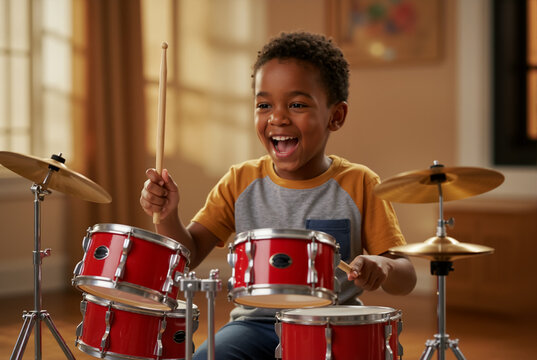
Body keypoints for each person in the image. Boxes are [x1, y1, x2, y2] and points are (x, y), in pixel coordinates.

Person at [140, 31, 417, 360]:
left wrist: (383, 265)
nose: (277, 117)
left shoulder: (360, 183)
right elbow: (187, 255)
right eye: (264, 104)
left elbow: (406, 276)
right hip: (253, 325)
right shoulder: (239, 181)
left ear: (336, 116)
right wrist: (169, 215)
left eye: (297, 104)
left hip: (332, 328)